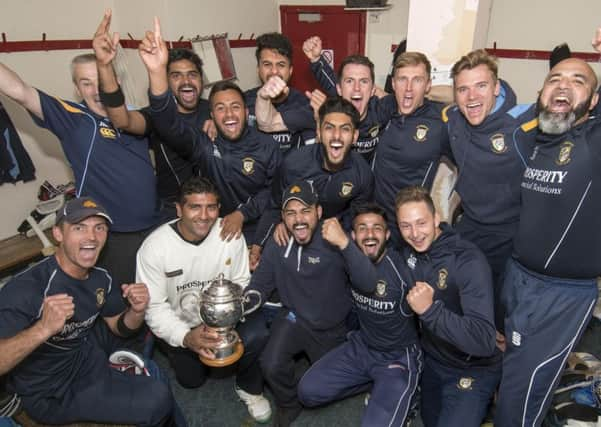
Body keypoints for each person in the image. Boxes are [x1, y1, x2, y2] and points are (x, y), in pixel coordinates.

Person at [494, 53, 601, 427]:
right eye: (555, 78)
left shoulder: (593, 141)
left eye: (578, 80)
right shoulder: (541, 139)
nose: (563, 85)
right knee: (521, 379)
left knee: (518, 400)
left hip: (561, 294)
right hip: (519, 279)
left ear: (594, 99)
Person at [0, 197, 173, 426]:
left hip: (85, 358)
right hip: (51, 392)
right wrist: (42, 328)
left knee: (154, 373)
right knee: (157, 397)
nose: (91, 237)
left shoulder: (101, 277)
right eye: (79, 227)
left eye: (99, 228)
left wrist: (137, 311)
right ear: (58, 234)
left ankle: (119, 370)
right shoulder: (25, 290)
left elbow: (119, 327)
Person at [0, 52, 159, 291]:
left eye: (101, 81)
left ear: (114, 80)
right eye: (86, 83)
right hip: (113, 237)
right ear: (77, 87)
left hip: (155, 227)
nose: (96, 90)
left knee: (157, 297)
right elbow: (20, 91)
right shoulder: (73, 118)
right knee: (120, 307)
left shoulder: (136, 116)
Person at [136, 176, 271, 423]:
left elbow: (242, 281)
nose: (204, 215)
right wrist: (186, 337)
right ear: (179, 209)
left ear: (219, 208)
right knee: (191, 380)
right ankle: (195, 353)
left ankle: (249, 387)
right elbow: (154, 307)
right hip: (185, 325)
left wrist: (227, 323)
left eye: (211, 207)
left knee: (258, 333)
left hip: (226, 318)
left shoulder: (230, 234)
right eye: (194, 207)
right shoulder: (154, 247)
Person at [139, 17, 281, 244]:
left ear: (246, 112)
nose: (230, 114)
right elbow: (169, 124)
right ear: (211, 115)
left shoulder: (268, 147)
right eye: (221, 109)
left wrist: (242, 214)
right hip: (213, 232)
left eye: (235, 107)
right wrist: (156, 73)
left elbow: (274, 192)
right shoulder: (203, 144)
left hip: (257, 232)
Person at [246, 180, 369, 426]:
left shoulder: (335, 240)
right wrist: (240, 306)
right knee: (269, 363)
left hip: (332, 328)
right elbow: (260, 285)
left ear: (318, 212)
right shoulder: (278, 242)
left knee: (322, 390)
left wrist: (345, 244)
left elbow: (367, 283)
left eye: (305, 211)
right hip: (294, 319)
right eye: (291, 213)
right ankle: (289, 403)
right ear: (283, 217)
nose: (298, 220)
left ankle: (371, 377)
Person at [297, 203, 421, 427]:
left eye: (377, 228)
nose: (370, 234)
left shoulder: (402, 270)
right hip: (362, 347)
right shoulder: (348, 259)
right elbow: (307, 229)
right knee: (307, 392)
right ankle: (373, 383)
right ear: (353, 235)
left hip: (396, 358)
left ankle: (405, 392)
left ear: (388, 234)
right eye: (362, 228)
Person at [444, 49, 537, 330]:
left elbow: (582, 112)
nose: (471, 97)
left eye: (481, 86)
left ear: (496, 87)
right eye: (463, 89)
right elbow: (437, 99)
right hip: (471, 226)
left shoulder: (523, 121)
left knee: (503, 312)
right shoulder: (453, 118)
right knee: (455, 295)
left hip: (511, 234)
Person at [93, 9, 211, 221]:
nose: (186, 81)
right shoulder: (156, 116)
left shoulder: (214, 109)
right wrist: (104, 66)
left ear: (201, 80)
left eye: (192, 75)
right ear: (165, 81)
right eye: (176, 76)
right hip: (171, 208)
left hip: (211, 206)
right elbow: (121, 120)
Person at [397, 186, 498, 427]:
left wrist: (431, 311)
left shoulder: (467, 260)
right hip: (434, 360)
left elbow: (485, 339)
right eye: (405, 226)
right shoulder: (407, 252)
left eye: (421, 223)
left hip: (472, 367)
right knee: (430, 420)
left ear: (436, 219)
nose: (415, 233)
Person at [252, 96, 374, 269]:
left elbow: (357, 219)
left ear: (354, 136)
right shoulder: (294, 164)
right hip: (295, 228)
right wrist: (258, 245)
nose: (336, 136)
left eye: (345, 129)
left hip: (333, 235)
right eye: (329, 128)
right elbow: (274, 205)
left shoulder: (362, 174)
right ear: (318, 132)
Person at [257, 36, 396, 163]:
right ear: (339, 90)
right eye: (349, 81)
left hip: (365, 185)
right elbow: (266, 123)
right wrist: (262, 96)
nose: (357, 88)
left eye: (364, 81)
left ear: (373, 90)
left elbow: (408, 98)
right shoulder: (323, 110)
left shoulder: (380, 109)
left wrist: (317, 60)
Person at [372, 52, 451, 247]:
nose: (408, 88)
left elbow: (464, 97)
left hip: (410, 228)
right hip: (375, 221)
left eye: (417, 80)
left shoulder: (440, 121)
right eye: (402, 79)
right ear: (393, 83)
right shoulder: (384, 109)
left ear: (428, 84)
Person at [245, 32, 315, 151]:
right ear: (258, 69)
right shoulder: (243, 101)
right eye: (267, 64)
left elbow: (312, 153)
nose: (274, 71)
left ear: (290, 70)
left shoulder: (304, 104)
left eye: (281, 65)